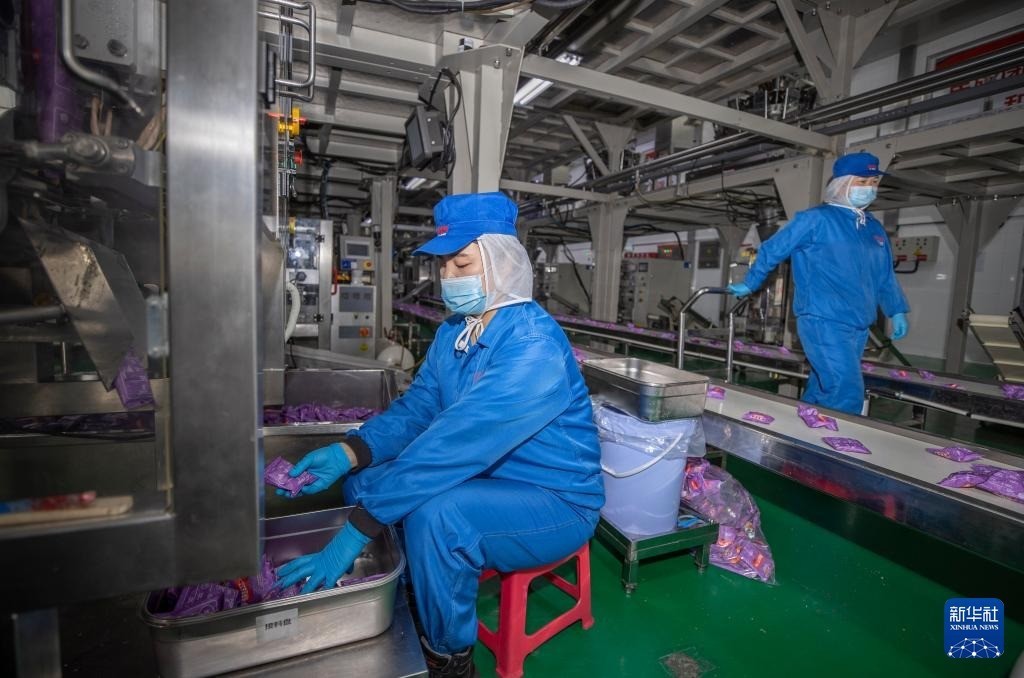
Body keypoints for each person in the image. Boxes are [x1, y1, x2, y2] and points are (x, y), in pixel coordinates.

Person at [276, 191, 604, 678]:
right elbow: (419, 410)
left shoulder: (533, 348)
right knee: (365, 483)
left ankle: (449, 657)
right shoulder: (456, 332)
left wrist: (356, 531)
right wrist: (351, 451)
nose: (448, 276)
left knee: (440, 517)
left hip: (553, 497)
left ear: (502, 263)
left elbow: (455, 443)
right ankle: (418, 582)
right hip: (487, 475)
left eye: (461, 263)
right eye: (443, 264)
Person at [727, 151, 910, 415]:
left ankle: (802, 431)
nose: (869, 188)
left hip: (859, 323)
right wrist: (750, 283)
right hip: (823, 318)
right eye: (862, 182)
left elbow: (884, 274)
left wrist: (896, 309)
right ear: (842, 184)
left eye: (873, 183)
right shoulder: (816, 219)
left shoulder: (873, 228)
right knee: (845, 389)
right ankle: (835, 438)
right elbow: (773, 248)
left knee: (823, 386)